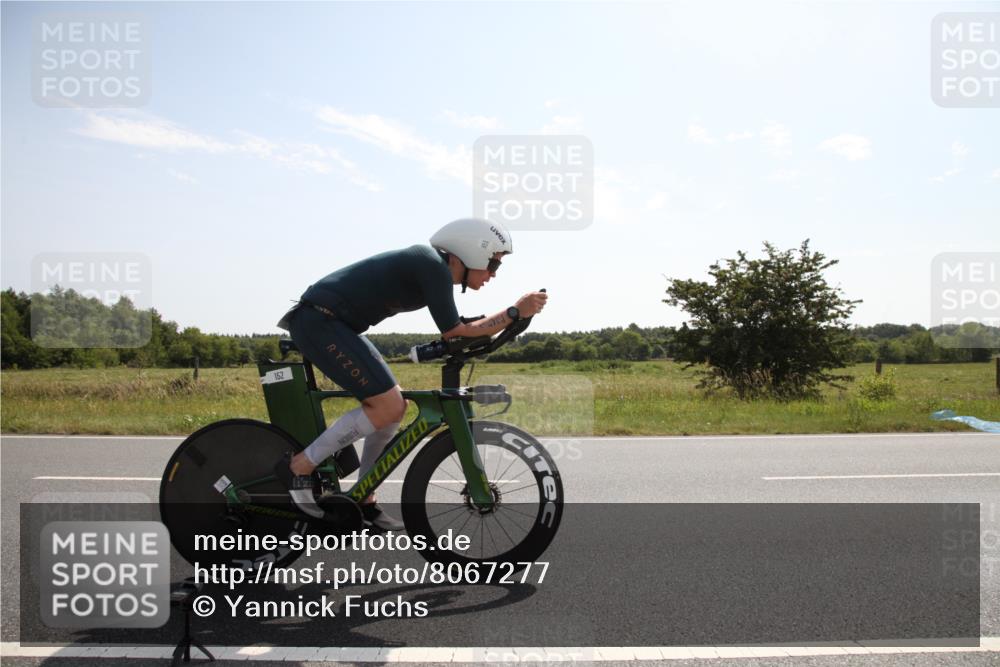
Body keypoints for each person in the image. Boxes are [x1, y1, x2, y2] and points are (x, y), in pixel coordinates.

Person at [273, 218, 548, 530]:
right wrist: (514, 311)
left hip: (337, 326)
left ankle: (364, 498)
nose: (491, 276)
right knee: (388, 406)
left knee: (394, 409)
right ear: (470, 253)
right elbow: (455, 331)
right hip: (320, 322)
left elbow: (459, 334)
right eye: (492, 266)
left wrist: (510, 320)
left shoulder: (434, 269)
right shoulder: (430, 264)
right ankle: (299, 467)